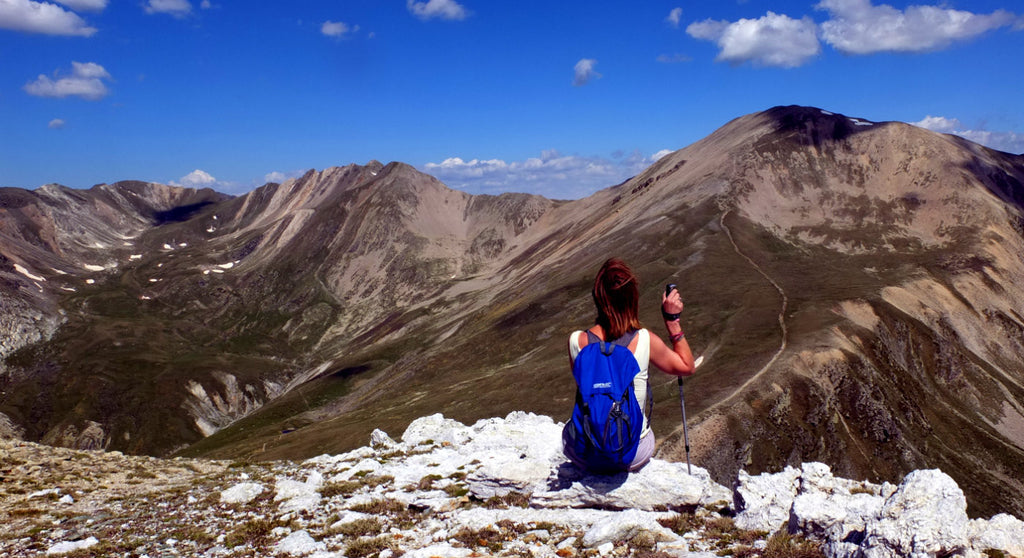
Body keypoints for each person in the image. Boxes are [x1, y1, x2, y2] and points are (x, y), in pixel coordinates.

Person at [562, 258, 696, 472]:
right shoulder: (644, 339)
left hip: (586, 454)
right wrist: (672, 321)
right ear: (633, 299)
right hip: (631, 453)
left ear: (598, 297)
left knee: (570, 432)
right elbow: (687, 366)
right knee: (645, 434)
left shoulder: (576, 341)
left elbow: (585, 389)